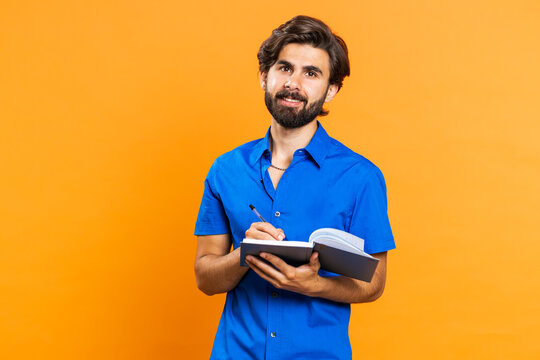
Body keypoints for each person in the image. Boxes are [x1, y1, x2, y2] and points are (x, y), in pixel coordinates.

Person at [194, 15, 395, 360]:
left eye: (311, 73)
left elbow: (373, 282)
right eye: (284, 68)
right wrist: (245, 253)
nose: (294, 83)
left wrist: (313, 285)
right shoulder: (225, 170)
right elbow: (205, 277)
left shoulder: (360, 176)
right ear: (264, 76)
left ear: (331, 89)